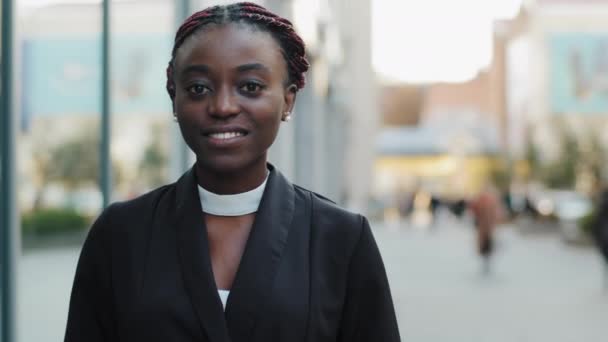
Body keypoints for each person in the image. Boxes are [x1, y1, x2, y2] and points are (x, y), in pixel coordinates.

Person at [64, 3, 400, 342]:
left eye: (250, 86)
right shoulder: (120, 235)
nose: (223, 106)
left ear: (288, 101)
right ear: (174, 99)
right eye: (199, 88)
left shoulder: (341, 238)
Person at [469, 185, 502, 275]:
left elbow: (473, 209)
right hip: (487, 226)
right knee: (487, 244)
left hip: (484, 226)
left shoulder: (483, 199)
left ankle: (486, 261)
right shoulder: (490, 200)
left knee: (486, 244)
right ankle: (486, 262)